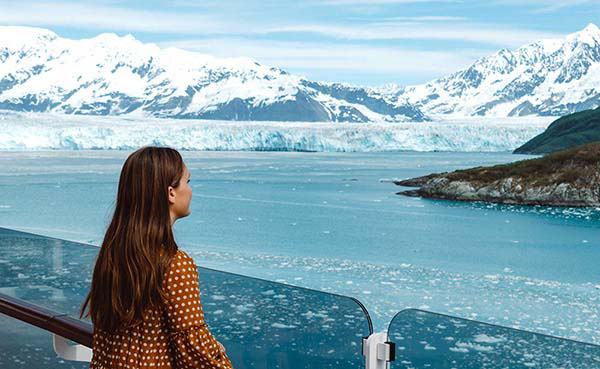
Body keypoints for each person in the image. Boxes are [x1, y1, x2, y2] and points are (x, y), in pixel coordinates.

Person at [80, 146, 233, 368]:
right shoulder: (174, 264)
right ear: (171, 192)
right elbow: (192, 349)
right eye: (187, 182)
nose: (190, 190)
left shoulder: (113, 256)